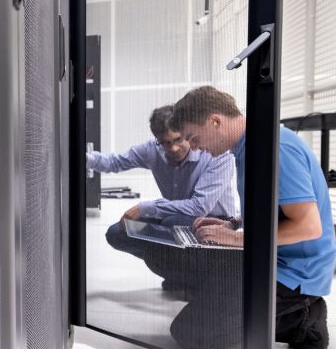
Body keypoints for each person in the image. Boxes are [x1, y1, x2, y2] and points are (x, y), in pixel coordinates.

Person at [168, 86, 335, 349]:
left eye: (193, 137)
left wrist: (238, 239)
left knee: (191, 333)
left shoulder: (274, 147)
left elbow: (308, 226)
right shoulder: (245, 147)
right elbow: (269, 205)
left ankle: (302, 316)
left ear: (215, 121)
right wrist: (232, 223)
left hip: (292, 273)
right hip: (267, 257)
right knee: (192, 268)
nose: (194, 147)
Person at [86, 104, 239, 290]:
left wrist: (145, 208)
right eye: (165, 143)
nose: (173, 148)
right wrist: (85, 157)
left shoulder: (215, 154)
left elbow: (199, 207)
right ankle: (177, 272)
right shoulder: (152, 149)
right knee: (118, 233)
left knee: (171, 223)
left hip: (215, 220)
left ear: (188, 133)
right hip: (174, 216)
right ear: (157, 140)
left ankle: (192, 276)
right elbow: (115, 162)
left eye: (178, 139)